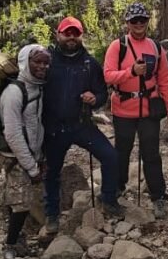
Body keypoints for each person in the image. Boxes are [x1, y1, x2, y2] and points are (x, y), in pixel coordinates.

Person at [43, 17, 125, 232]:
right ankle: (51, 214)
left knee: (110, 156)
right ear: (57, 34)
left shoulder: (90, 63)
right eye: (67, 33)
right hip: (53, 128)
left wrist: (94, 99)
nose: (71, 37)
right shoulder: (46, 60)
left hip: (82, 124)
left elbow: (101, 95)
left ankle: (108, 199)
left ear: (81, 36)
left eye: (75, 33)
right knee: (51, 171)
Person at [103, 3, 168, 219]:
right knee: (122, 152)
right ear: (127, 23)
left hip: (148, 109)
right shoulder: (118, 46)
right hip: (123, 109)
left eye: (142, 20)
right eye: (134, 20)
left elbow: (164, 80)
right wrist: (131, 72)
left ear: (147, 21)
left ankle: (159, 196)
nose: (138, 24)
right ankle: (117, 187)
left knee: (151, 154)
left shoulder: (155, 47)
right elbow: (107, 75)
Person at [0, 44, 51, 259]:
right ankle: (9, 248)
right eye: (36, 62)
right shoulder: (13, 92)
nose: (41, 66)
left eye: (44, 62)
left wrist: (39, 156)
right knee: (21, 203)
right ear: (24, 62)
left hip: (31, 153)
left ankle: (17, 239)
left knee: (16, 197)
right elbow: (12, 133)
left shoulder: (37, 87)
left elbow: (34, 124)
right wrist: (31, 166)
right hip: (15, 155)